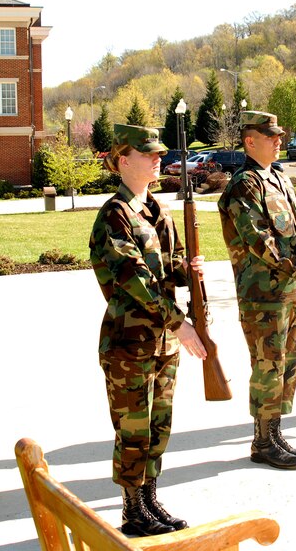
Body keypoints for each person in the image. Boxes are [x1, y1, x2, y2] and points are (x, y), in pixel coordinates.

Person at [89, 124, 208, 537]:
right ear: (124, 161)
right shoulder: (114, 215)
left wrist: (189, 269)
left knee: (159, 426)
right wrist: (180, 322)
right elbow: (135, 279)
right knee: (133, 429)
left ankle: (149, 497)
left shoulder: (158, 210)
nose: (159, 158)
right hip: (130, 342)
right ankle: (131, 509)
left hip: (164, 342)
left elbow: (166, 267)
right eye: (148, 154)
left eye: (159, 153)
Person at [217, 111, 296, 471]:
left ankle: (275, 432)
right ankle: (263, 441)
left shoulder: (280, 178)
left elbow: (294, 225)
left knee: (289, 363)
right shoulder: (244, 184)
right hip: (262, 294)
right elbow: (258, 240)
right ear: (250, 141)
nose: (278, 140)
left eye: (279, 135)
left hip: (291, 290)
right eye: (270, 136)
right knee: (268, 366)